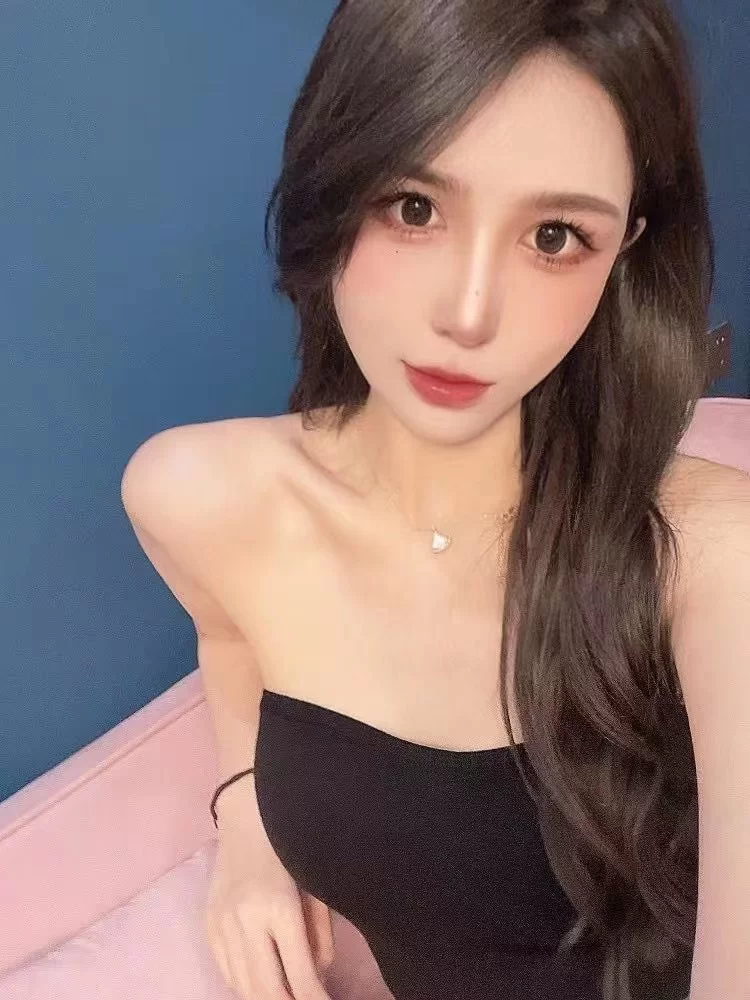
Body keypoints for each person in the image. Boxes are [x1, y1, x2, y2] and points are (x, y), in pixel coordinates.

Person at [122, 0, 717, 998]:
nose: (467, 314)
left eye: (556, 235)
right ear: (332, 187)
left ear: (624, 254)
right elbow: (231, 641)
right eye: (412, 208)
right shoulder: (197, 497)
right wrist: (246, 825)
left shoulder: (702, 552)